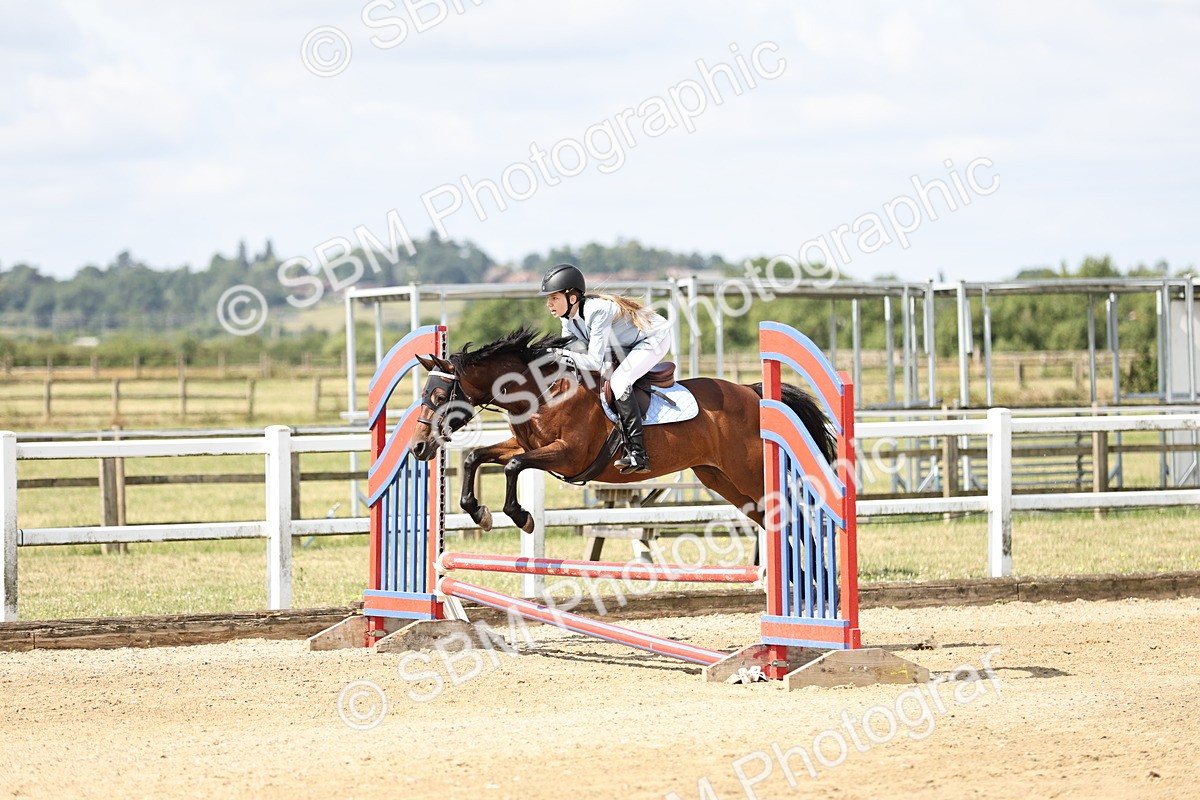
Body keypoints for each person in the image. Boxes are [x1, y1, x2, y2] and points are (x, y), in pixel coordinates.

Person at [539, 263, 673, 474]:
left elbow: (592, 362)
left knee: (620, 381)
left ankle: (638, 453)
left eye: (553, 298)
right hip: (626, 344)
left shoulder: (596, 311)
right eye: (548, 298)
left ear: (572, 298)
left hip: (654, 339)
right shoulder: (569, 320)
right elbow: (569, 358)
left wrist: (556, 355)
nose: (549, 303)